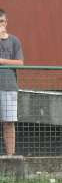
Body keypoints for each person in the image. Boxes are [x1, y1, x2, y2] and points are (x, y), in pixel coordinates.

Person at [0, 10, 24, 157]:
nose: (1, 25)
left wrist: (2, 61)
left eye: (2, 21)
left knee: (9, 123)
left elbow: (20, 63)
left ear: (6, 22)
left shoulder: (14, 40)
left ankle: (10, 158)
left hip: (8, 87)